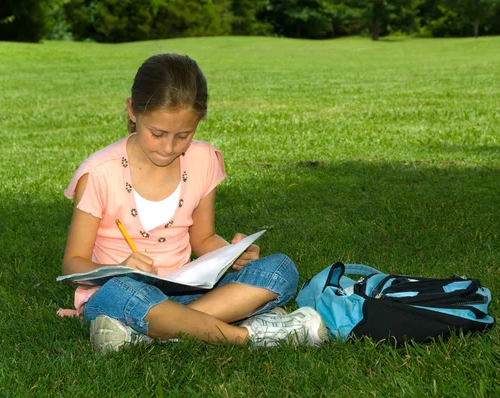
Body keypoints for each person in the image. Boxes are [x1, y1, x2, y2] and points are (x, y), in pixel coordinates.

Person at [61, 53, 328, 353]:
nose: (168, 148)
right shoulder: (99, 172)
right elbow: (73, 264)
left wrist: (232, 254)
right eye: (157, 133)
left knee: (281, 269)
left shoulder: (202, 160)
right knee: (121, 292)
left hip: (188, 294)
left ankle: (156, 331)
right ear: (133, 111)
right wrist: (118, 268)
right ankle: (247, 337)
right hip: (121, 295)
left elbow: (203, 239)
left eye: (183, 136)